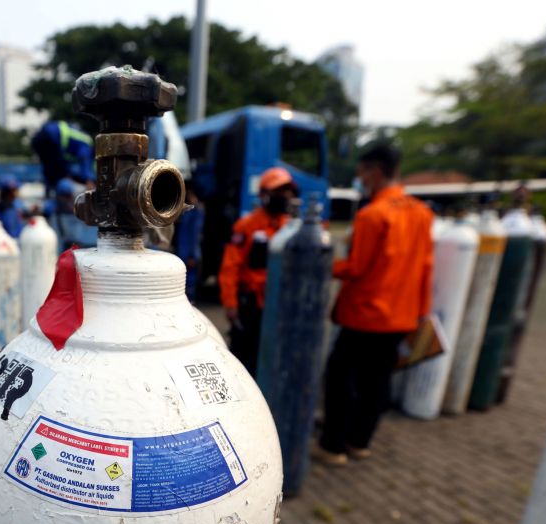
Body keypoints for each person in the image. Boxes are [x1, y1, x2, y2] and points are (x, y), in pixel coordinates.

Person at [318, 144, 435, 466]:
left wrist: (323, 263)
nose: (361, 180)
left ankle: (333, 446)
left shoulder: (373, 216)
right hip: (402, 317)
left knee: (341, 378)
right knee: (377, 383)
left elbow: (356, 268)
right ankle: (360, 441)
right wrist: (421, 311)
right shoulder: (422, 214)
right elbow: (427, 266)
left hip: (366, 316)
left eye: (363, 173)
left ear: (377, 172)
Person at [218, 167, 300, 374]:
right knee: (245, 360)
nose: (284, 196)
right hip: (251, 305)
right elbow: (230, 267)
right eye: (278, 192)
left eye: (287, 192)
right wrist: (230, 303)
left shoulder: (290, 228)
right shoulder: (247, 226)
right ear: (264, 195)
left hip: (279, 305)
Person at [30, 121, 95, 193]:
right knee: (59, 171)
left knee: (49, 169)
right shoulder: (87, 142)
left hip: (39, 137)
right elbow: (84, 158)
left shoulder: (77, 135)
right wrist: (89, 180)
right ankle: (58, 195)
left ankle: (48, 193)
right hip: (50, 138)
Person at [174, 185, 205, 303]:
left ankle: (190, 301)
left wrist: (192, 255)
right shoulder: (189, 211)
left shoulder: (196, 212)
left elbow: (195, 234)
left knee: (190, 280)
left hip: (190, 253)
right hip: (184, 251)